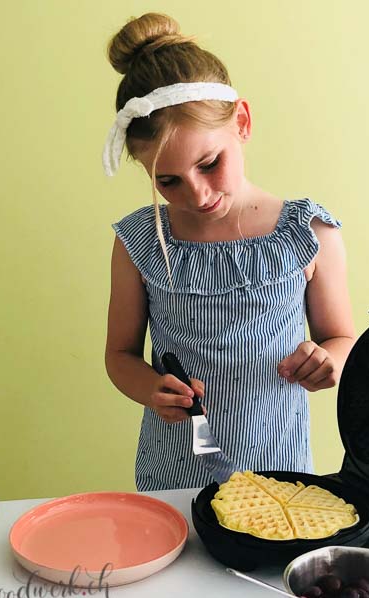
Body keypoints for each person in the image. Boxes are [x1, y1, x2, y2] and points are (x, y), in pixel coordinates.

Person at [103, 12, 355, 491]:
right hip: (175, 473)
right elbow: (120, 354)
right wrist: (150, 389)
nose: (197, 195)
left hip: (279, 468)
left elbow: (340, 338)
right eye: (168, 181)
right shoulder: (139, 241)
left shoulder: (309, 233)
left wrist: (329, 362)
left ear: (242, 121)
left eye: (209, 163)